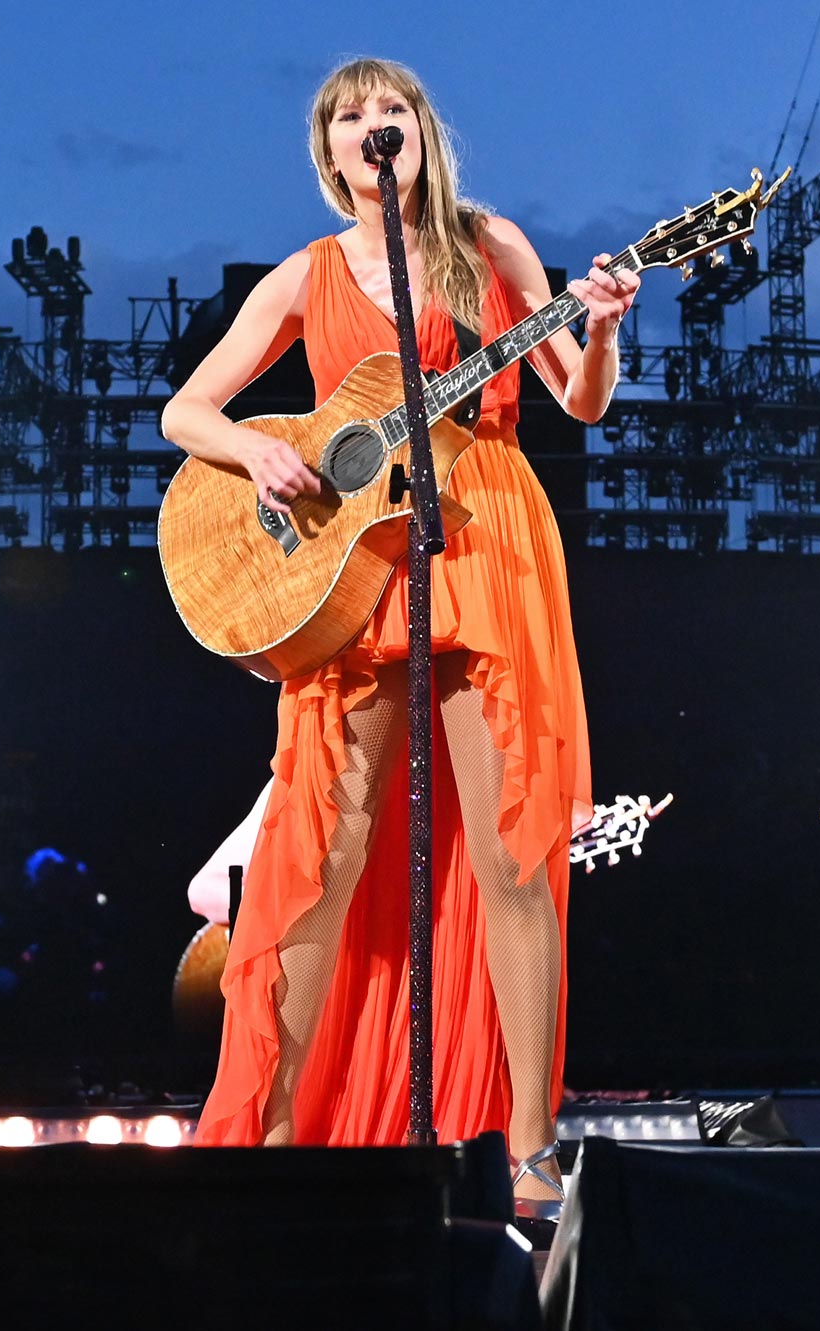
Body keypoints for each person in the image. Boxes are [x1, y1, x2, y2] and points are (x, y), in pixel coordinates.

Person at [159, 56, 636, 1215]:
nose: (376, 126)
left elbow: (581, 400)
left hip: (488, 538)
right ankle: (271, 1139)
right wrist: (258, 451)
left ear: (422, 131)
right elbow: (185, 409)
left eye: (394, 110)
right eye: (350, 116)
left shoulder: (492, 246)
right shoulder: (304, 275)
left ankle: (526, 1150)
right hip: (354, 560)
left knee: (512, 852)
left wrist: (605, 325)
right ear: (329, 155)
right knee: (325, 850)